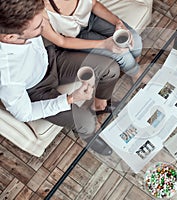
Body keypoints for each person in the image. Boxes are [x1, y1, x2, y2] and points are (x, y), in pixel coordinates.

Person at [0, 0, 120, 155]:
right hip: (36, 90)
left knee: (110, 69)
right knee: (87, 123)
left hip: (51, 58)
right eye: (38, 27)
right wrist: (70, 99)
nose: (44, 25)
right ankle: (89, 134)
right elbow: (25, 113)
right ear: (10, 37)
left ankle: (99, 106)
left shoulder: (18, 17)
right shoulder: (7, 76)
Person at [42, 0, 146, 94]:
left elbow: (94, 4)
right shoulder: (39, 10)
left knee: (135, 39)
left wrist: (118, 22)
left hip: (91, 17)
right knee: (121, 54)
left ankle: (134, 64)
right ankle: (136, 74)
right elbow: (62, 41)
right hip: (74, 38)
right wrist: (103, 44)